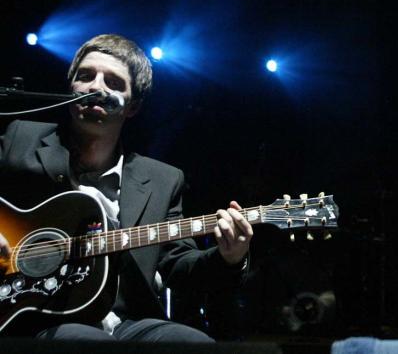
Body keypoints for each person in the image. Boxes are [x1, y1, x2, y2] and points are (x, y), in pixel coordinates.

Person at [0, 34, 253, 341]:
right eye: (86, 76)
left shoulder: (162, 179)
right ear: (71, 88)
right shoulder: (21, 139)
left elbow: (178, 266)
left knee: (195, 343)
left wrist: (230, 256)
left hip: (126, 322)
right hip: (32, 315)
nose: (96, 87)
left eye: (113, 83)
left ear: (133, 107)